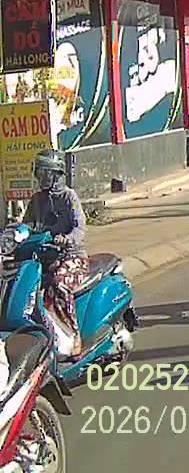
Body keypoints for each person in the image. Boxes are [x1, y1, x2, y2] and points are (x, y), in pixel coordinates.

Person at [23, 150, 89, 357]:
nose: (41, 177)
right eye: (39, 172)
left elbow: (80, 227)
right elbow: (27, 225)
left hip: (71, 256)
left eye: (46, 173)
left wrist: (67, 238)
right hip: (43, 257)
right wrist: (13, 235)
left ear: (56, 174)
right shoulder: (36, 200)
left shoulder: (69, 196)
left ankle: (73, 335)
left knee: (59, 284)